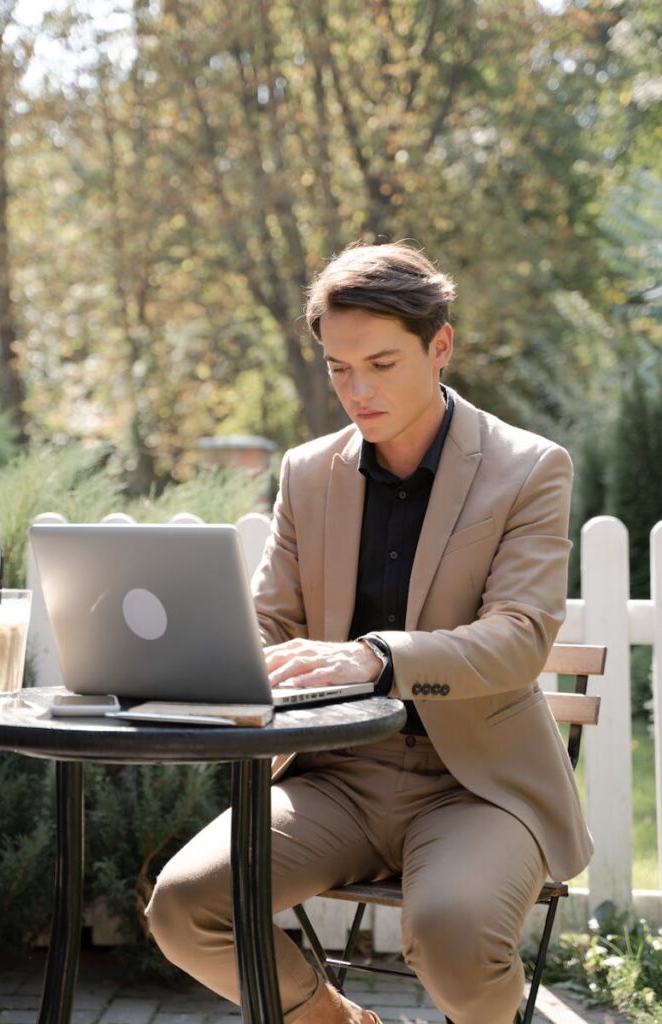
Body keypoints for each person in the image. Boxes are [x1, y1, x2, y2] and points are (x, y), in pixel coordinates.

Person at [146, 242, 592, 1024]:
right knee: (183, 909)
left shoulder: (529, 468)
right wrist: (196, 649)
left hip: (473, 785)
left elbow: (519, 637)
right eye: (337, 366)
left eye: (382, 364)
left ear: (439, 346)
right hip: (334, 779)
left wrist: (373, 656)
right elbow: (270, 622)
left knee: (449, 931)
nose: (357, 389)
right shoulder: (306, 471)